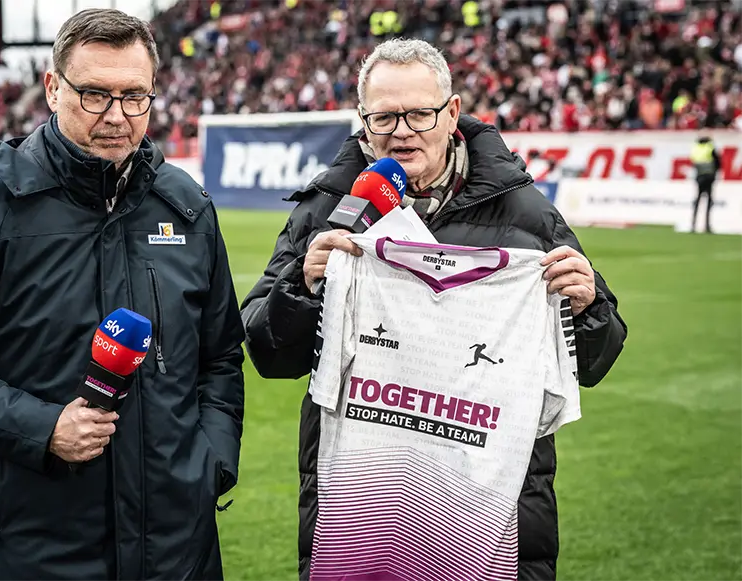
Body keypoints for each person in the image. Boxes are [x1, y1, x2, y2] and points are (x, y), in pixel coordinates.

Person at [240, 38, 627, 581]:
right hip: (361, 503)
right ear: (362, 120)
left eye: (419, 114)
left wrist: (586, 308)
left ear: (452, 113)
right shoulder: (328, 209)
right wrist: (302, 287)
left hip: (491, 509)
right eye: (385, 116)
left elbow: (595, 359)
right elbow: (265, 348)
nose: (402, 130)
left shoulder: (526, 214)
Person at [0, 9, 245, 581]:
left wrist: (211, 464)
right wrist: (42, 427)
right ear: (53, 89)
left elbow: (222, 356)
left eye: (135, 96)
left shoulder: (187, 206)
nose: (117, 116)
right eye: (95, 94)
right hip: (44, 549)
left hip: (181, 548)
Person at [690, 135, 720, 233]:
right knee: (708, 201)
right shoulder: (710, 147)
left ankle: (693, 225)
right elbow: (718, 162)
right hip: (709, 176)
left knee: (698, 200)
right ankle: (707, 226)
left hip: (699, 176)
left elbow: (693, 161)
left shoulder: (696, 148)